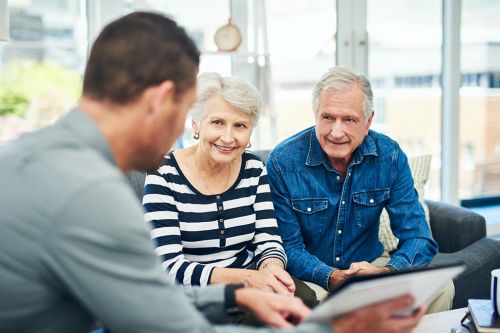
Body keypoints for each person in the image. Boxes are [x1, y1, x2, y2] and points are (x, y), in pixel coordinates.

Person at [0, 12, 425, 333]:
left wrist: (236, 294)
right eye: (192, 112)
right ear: (163, 100)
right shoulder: (93, 196)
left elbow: (155, 298)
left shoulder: (31, 157)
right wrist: (339, 326)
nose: (195, 131)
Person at [266, 66, 454, 313]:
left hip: (372, 265)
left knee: (442, 287)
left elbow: (419, 237)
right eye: (327, 117)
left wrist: (387, 272)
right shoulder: (283, 161)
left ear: (368, 121)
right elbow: (287, 247)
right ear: (315, 115)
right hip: (312, 275)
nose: (336, 131)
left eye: (349, 120)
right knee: (331, 308)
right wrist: (331, 276)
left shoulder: (390, 156)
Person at [142, 72, 317, 315]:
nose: (228, 137)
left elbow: (268, 239)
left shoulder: (253, 169)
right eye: (217, 122)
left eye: (240, 126)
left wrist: (271, 268)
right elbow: (169, 266)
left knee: (303, 302)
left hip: (253, 284)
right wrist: (246, 279)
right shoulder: (163, 173)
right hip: (195, 295)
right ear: (196, 123)